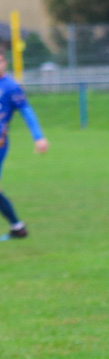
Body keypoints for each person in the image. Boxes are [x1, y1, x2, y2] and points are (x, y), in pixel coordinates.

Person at [0, 51, 48, 241]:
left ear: (5, 62)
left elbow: (26, 111)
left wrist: (39, 137)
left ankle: (18, 227)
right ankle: (18, 227)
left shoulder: (11, 87)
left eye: (0, 60)